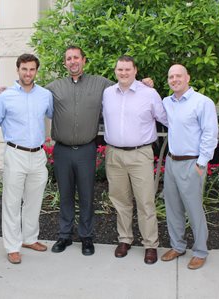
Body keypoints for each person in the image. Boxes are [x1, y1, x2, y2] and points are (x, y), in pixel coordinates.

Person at [46, 46, 154, 256]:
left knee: (87, 195)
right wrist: (10, 90)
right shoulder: (53, 87)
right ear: (64, 63)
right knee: (65, 194)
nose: (73, 61)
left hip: (86, 149)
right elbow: (31, 94)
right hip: (62, 150)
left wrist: (144, 84)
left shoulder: (102, 85)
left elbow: (125, 88)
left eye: (76, 57)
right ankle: (64, 235)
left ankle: (86, 237)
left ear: (84, 60)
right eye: (69, 58)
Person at [102, 56, 167, 264]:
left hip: (140, 154)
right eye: (120, 69)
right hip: (114, 154)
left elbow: (166, 119)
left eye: (127, 69)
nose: (123, 73)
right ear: (115, 71)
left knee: (145, 200)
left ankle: (150, 244)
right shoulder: (107, 93)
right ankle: (125, 239)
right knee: (120, 200)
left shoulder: (149, 94)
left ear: (135, 70)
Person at [0, 54, 53, 264]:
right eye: (24, 69)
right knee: (11, 201)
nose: (28, 73)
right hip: (15, 153)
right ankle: (12, 246)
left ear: (36, 71)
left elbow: (53, 115)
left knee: (34, 200)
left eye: (32, 69)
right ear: (17, 70)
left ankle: (29, 239)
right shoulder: (5, 97)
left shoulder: (45, 95)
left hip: (38, 154)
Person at [160, 64, 218, 270]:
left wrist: (201, 164)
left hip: (192, 163)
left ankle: (200, 251)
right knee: (173, 207)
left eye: (178, 76)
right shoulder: (167, 102)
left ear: (188, 78)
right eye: (171, 76)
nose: (174, 79)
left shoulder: (202, 103)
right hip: (172, 161)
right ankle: (178, 246)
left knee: (194, 210)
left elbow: (210, 134)